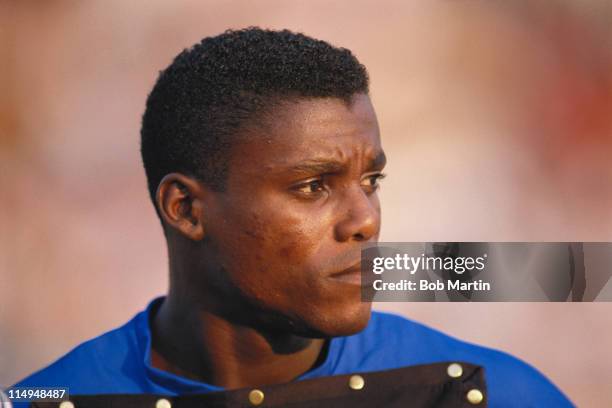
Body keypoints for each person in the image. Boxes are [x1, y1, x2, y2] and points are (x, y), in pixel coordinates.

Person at [12, 27, 573, 407]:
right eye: (313, 186)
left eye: (371, 181)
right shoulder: (52, 398)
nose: (365, 221)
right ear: (185, 209)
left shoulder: (495, 393)